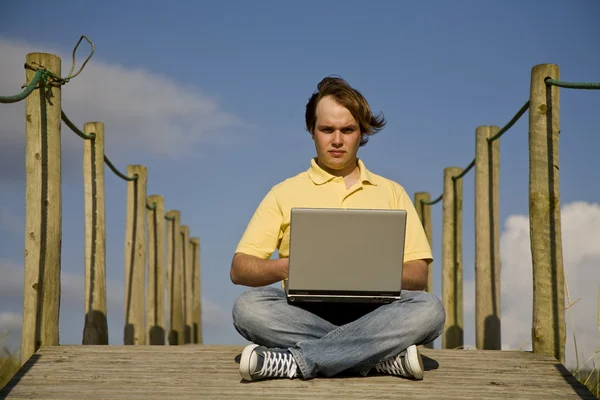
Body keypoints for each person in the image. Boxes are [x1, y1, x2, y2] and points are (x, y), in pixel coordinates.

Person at [229, 76, 445, 382]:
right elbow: (240, 269)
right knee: (248, 308)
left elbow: (418, 275)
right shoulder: (283, 192)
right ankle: (378, 358)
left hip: (378, 313)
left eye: (348, 130)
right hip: (303, 312)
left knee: (429, 309)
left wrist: (372, 272)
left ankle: (298, 361)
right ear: (312, 131)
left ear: (362, 133)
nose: (337, 140)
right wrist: (294, 266)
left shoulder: (392, 192)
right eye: (327, 129)